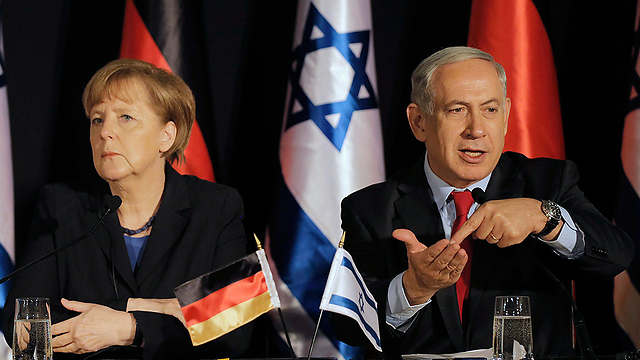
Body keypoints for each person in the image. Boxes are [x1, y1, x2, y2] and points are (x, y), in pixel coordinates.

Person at [334, 46, 634, 359]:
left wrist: (544, 217)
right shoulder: (370, 208)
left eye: (490, 110)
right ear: (419, 121)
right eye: (456, 110)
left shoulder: (547, 182)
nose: (476, 130)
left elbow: (615, 256)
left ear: (505, 116)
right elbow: (347, 327)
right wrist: (412, 289)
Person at [1, 59, 252, 359]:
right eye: (97, 119)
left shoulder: (217, 207)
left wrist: (129, 327)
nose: (106, 132)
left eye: (126, 118)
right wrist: (159, 308)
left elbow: (234, 328)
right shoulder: (60, 206)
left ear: (166, 136)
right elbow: (22, 324)